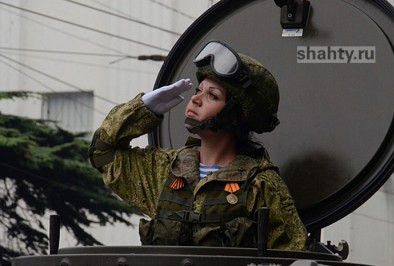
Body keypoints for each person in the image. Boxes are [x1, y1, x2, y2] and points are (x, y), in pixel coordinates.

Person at [89, 40, 308, 250]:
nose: (196, 99)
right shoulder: (166, 170)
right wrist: (142, 110)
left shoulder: (261, 184)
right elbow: (103, 152)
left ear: (236, 116)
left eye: (212, 96)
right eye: (198, 90)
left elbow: (293, 255)